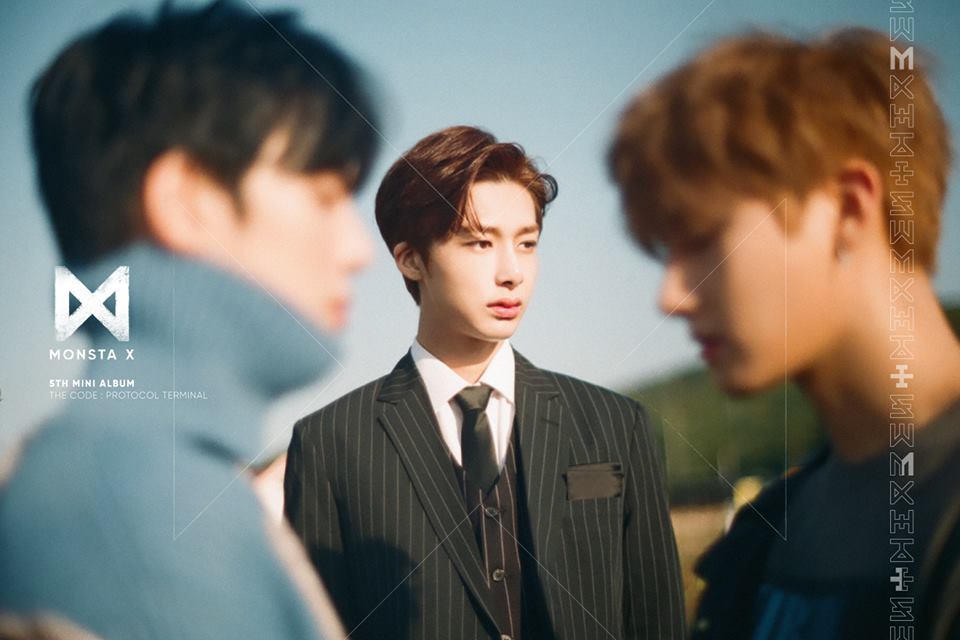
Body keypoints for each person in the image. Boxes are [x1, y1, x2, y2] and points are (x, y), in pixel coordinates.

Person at [0, 1, 379, 637]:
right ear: (190, 203)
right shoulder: (149, 514)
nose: (358, 249)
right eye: (324, 197)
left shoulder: (120, 479)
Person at [607, 27, 960, 640]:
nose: (670, 296)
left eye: (701, 238)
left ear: (847, 208)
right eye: (665, 250)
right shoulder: (758, 542)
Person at [284, 125, 686, 640]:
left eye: (527, 243)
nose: (512, 272)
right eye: (480, 243)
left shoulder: (616, 424)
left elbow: (657, 619)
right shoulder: (329, 444)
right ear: (410, 259)